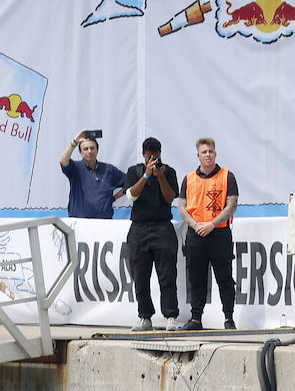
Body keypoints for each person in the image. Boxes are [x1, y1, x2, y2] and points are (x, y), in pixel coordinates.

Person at [178, 137, 239, 330]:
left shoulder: (227, 176)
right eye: (204, 152)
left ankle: (229, 318)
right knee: (196, 277)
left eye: (211, 151)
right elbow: (181, 208)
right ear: (198, 155)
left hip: (219, 233)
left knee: (225, 278)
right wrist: (195, 225)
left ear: (215, 153)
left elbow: (231, 205)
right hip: (196, 234)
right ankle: (196, 318)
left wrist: (212, 224)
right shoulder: (189, 179)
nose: (208, 155)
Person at [122, 137, 181, 331]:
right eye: (149, 157)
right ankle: (145, 316)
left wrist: (160, 176)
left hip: (163, 227)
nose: (152, 160)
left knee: (167, 275)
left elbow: (170, 198)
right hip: (139, 228)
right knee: (140, 275)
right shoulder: (134, 171)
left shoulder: (169, 172)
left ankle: (171, 316)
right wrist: (147, 175)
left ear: (160, 154)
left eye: (155, 156)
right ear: (143, 155)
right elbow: (131, 195)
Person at [60, 129, 126, 219]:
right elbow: (63, 161)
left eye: (92, 148)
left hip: (104, 223)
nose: (89, 151)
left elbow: (129, 182)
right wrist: (75, 142)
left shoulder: (109, 170)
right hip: (79, 222)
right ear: (80, 152)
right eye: (85, 149)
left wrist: (114, 198)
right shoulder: (75, 168)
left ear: (97, 150)